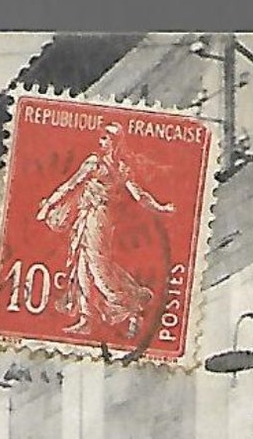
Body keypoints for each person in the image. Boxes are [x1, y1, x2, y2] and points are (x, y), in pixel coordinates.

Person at [35, 122, 175, 338]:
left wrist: (161, 208)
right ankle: (86, 318)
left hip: (100, 219)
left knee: (99, 267)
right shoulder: (93, 163)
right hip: (86, 216)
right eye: (100, 139)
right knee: (83, 264)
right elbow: (70, 185)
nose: (100, 143)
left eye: (104, 139)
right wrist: (49, 204)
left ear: (114, 142)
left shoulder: (120, 169)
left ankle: (130, 306)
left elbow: (139, 196)